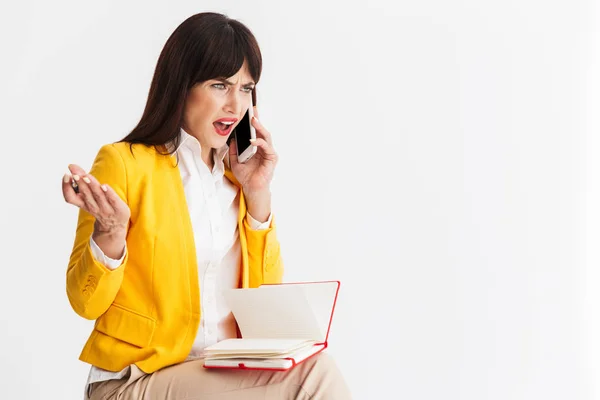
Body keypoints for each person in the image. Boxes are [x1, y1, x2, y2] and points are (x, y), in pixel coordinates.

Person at [61, 12, 351, 400]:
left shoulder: (238, 180)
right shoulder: (126, 164)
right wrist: (110, 234)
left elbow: (265, 305)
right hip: (134, 380)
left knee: (305, 365)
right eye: (220, 85)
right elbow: (85, 301)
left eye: (246, 89)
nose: (235, 104)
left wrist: (258, 195)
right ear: (182, 85)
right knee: (314, 376)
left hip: (221, 375)